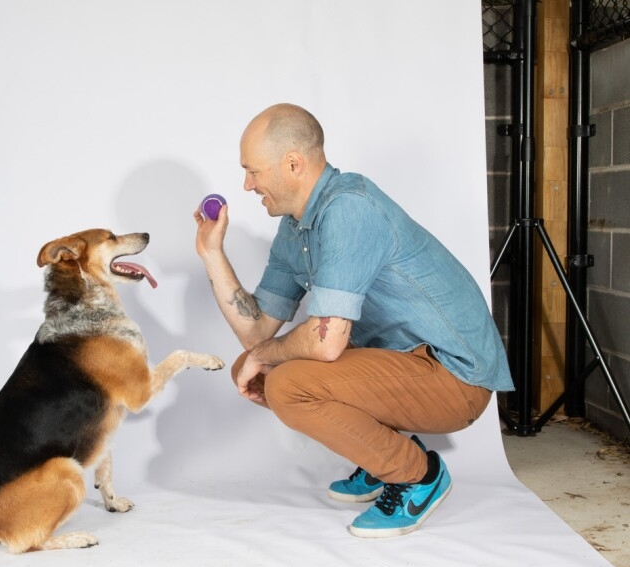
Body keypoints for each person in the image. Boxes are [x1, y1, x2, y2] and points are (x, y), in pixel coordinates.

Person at [193, 103, 514, 538]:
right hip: (403, 364)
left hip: (457, 377)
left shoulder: (349, 208)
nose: (247, 185)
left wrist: (265, 354)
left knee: (288, 384)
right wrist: (212, 254)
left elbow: (325, 344)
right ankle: (386, 454)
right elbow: (255, 331)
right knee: (255, 368)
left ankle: (419, 475)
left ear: (293, 163)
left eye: (254, 171)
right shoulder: (295, 228)